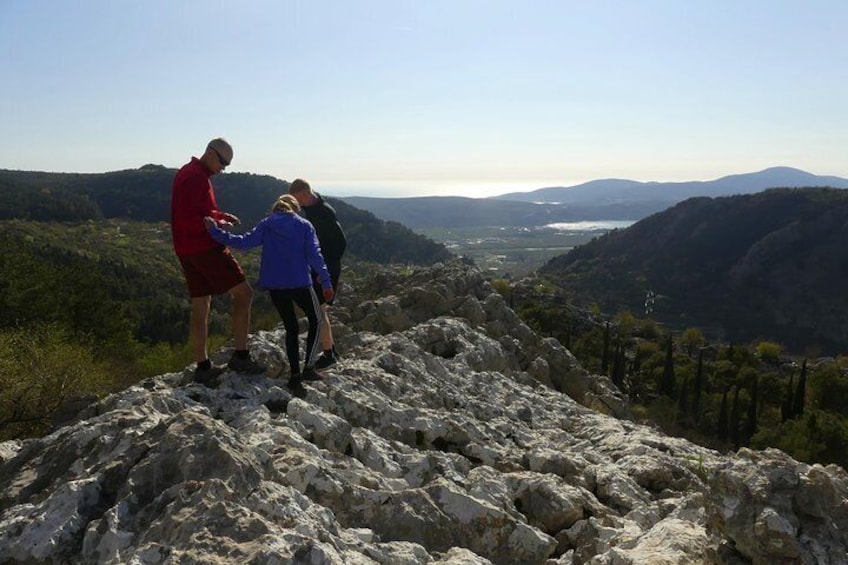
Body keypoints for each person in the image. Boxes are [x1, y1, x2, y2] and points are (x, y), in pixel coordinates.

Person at [204, 194, 335, 387]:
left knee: (291, 328)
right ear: (295, 209)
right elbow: (315, 256)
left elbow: (243, 242)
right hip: (300, 283)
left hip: (275, 286)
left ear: (276, 209)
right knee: (316, 319)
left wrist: (215, 232)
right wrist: (326, 282)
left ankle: (295, 375)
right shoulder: (304, 226)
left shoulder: (267, 224)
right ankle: (308, 368)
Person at [171, 137, 266, 384]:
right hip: (204, 246)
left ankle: (203, 366)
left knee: (201, 304)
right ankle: (241, 356)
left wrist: (220, 214)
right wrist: (219, 224)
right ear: (211, 153)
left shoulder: (189, 172)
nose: (223, 169)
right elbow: (192, 219)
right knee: (244, 293)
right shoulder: (196, 178)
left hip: (186, 249)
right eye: (223, 162)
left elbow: (195, 211)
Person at [288, 179, 347, 369]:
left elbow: (339, 243)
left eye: (298, 200)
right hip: (321, 268)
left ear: (305, 194)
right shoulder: (314, 210)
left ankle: (329, 355)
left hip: (325, 269)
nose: (298, 204)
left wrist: (323, 269)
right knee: (320, 310)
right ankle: (331, 349)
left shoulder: (323, 213)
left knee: (318, 311)